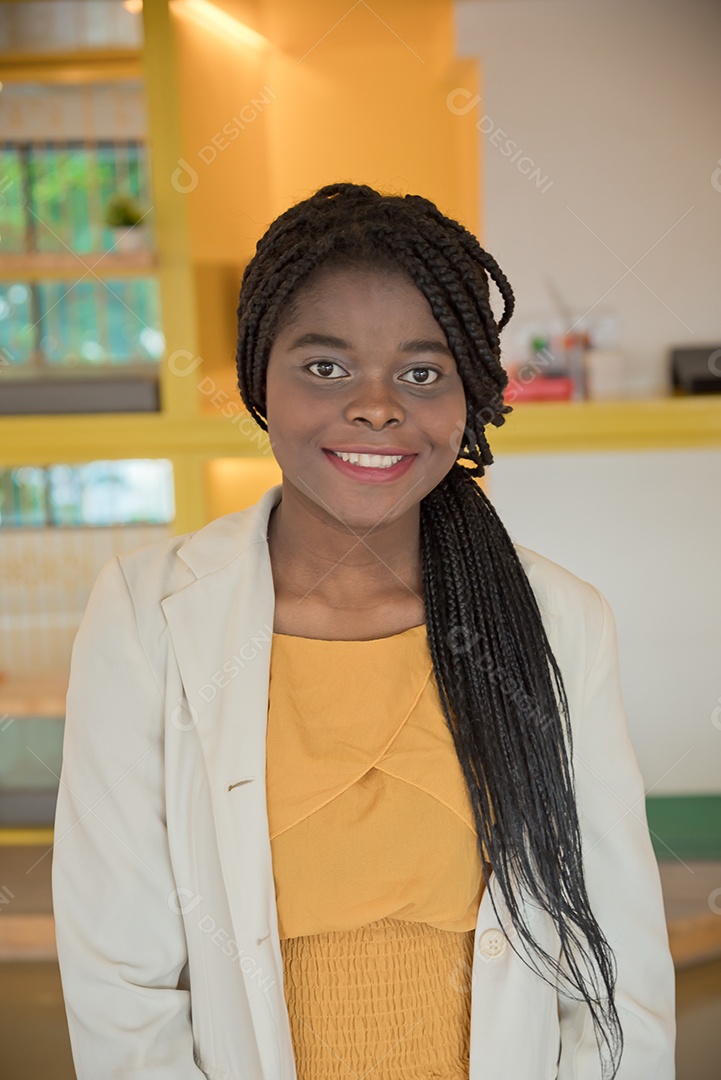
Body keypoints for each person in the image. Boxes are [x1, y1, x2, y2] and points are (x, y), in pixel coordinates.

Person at [52, 182, 676, 1080]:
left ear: (472, 394)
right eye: (326, 366)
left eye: (421, 372)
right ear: (257, 376)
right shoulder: (145, 617)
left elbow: (615, 966)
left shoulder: (557, 619)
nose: (377, 407)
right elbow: (121, 985)